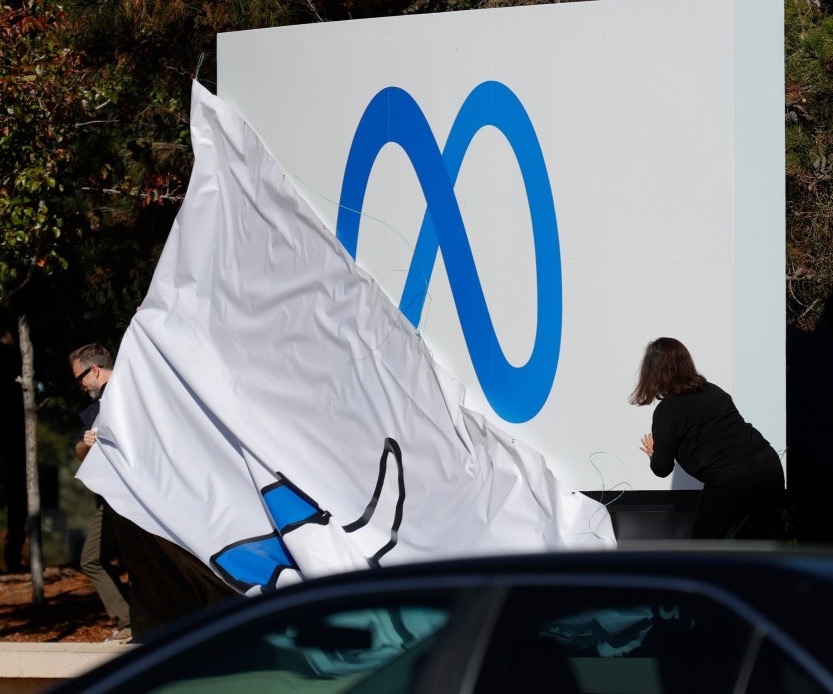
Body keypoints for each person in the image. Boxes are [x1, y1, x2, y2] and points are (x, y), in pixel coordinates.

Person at [630, 337, 785, 540]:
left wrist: (654, 453)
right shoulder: (713, 391)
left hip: (728, 478)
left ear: (653, 371)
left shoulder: (667, 410)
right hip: (767, 464)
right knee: (764, 544)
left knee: (704, 546)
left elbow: (662, 468)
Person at [70, 343, 132, 642]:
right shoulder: (95, 409)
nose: (80, 385)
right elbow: (80, 451)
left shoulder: (130, 388)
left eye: (80, 378)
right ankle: (129, 621)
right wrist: (86, 443)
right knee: (92, 558)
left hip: (138, 494)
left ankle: (134, 623)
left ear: (94, 370)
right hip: (112, 497)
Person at [0, 314, 26, 572]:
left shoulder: (16, 335)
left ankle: (13, 554)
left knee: (18, 494)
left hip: (13, 430)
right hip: (10, 428)